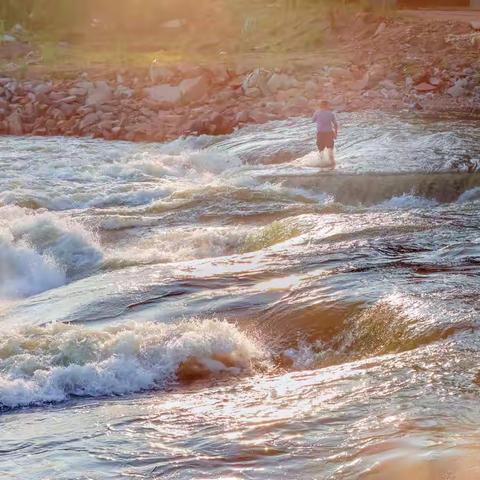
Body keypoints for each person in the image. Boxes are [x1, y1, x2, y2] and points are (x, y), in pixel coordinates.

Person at [312, 100, 338, 169]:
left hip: (320, 133)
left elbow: (313, 120)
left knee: (321, 150)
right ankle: (333, 165)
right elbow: (335, 124)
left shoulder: (317, 113)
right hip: (329, 133)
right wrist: (335, 133)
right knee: (330, 149)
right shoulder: (331, 113)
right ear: (327, 106)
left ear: (320, 106)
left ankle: (321, 166)